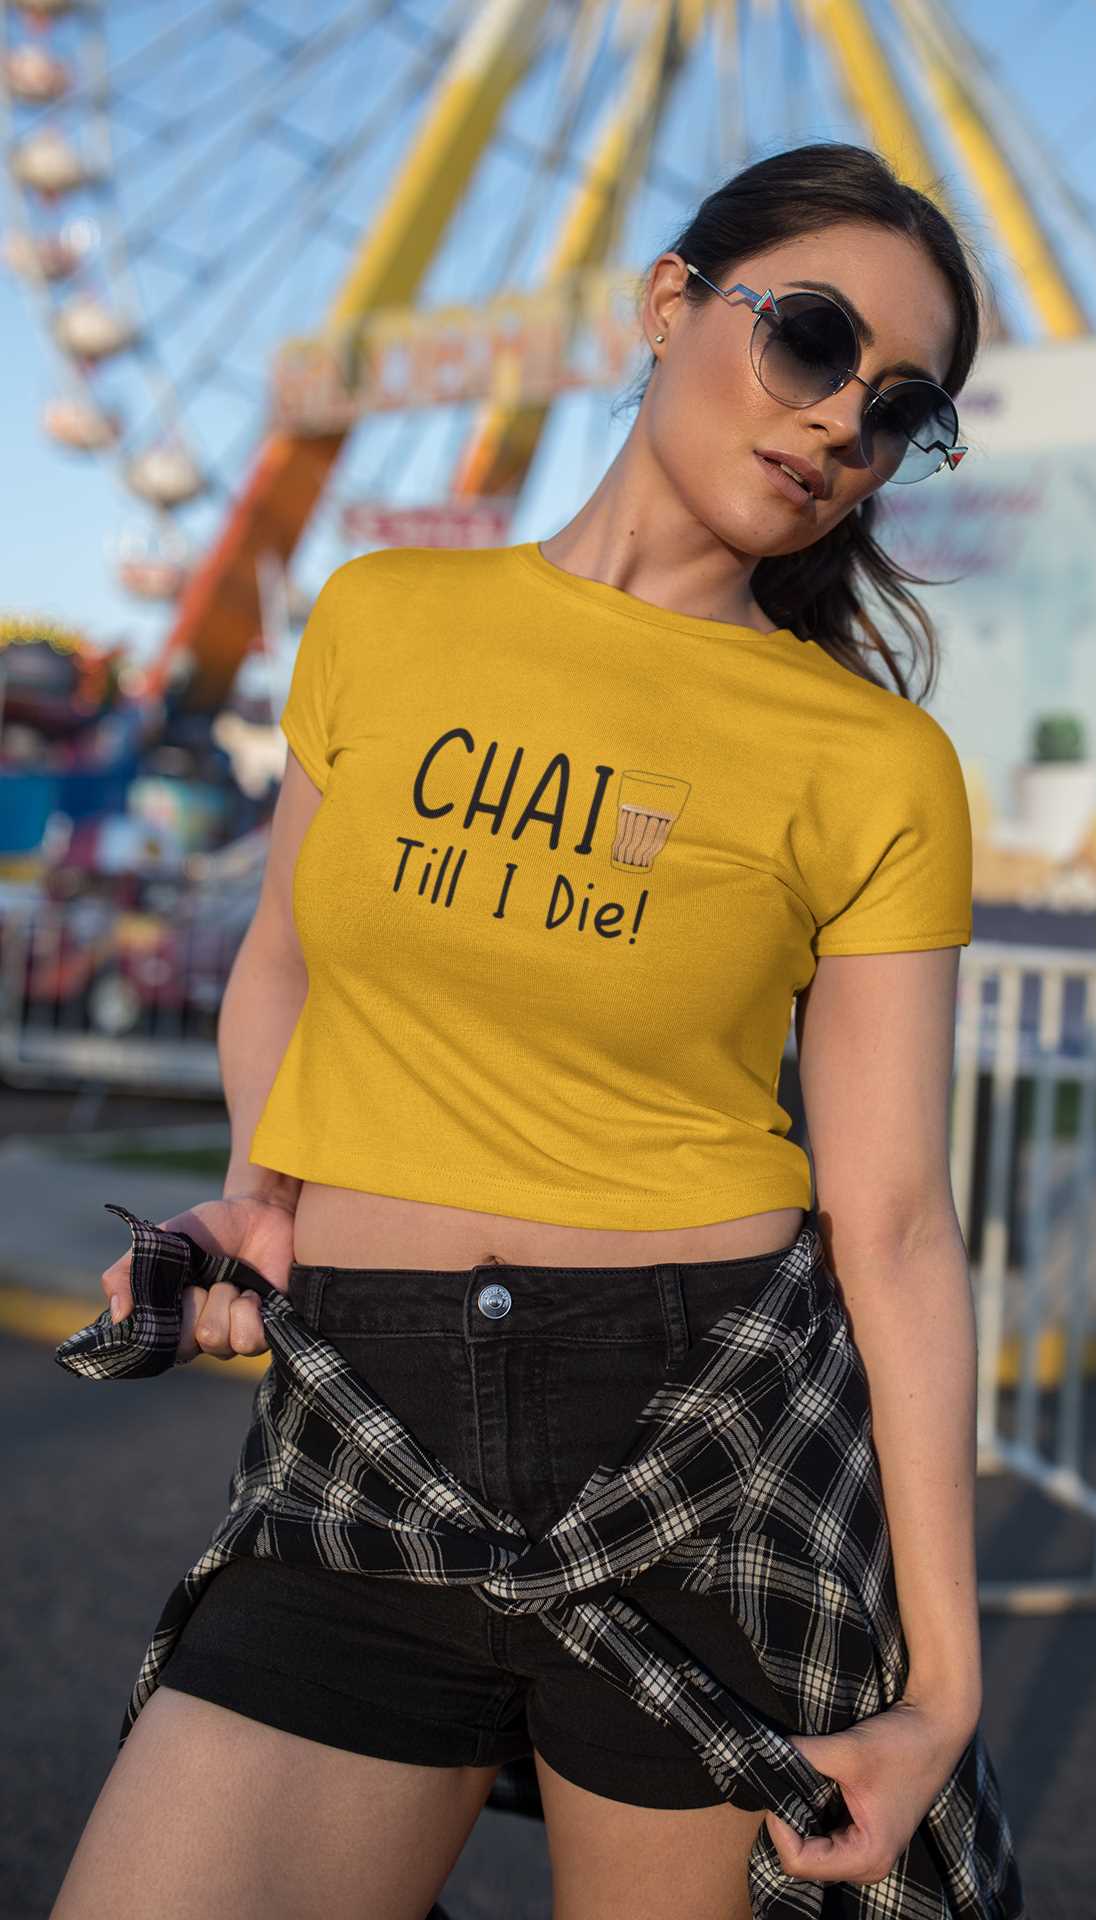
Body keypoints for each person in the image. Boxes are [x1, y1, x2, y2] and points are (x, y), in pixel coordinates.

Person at [52, 139, 1000, 1919]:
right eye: (809, 338)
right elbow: (285, 967)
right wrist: (262, 1190)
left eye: (899, 408)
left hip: (701, 1434)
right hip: (365, 1416)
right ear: (666, 304)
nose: (837, 425)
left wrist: (943, 1686)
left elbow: (893, 1222)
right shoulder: (385, 616)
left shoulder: (876, 761)